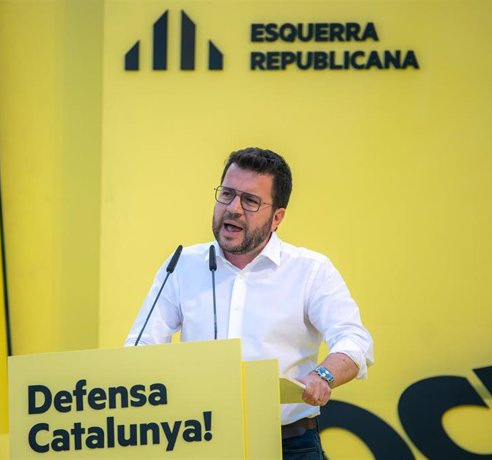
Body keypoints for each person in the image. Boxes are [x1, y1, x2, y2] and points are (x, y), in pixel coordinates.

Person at [125, 147, 374, 459]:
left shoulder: (310, 269)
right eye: (227, 194)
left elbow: (355, 341)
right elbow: (141, 346)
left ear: (277, 217)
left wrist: (322, 376)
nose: (234, 208)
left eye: (250, 200)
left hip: (289, 446)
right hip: (197, 440)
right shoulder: (182, 265)